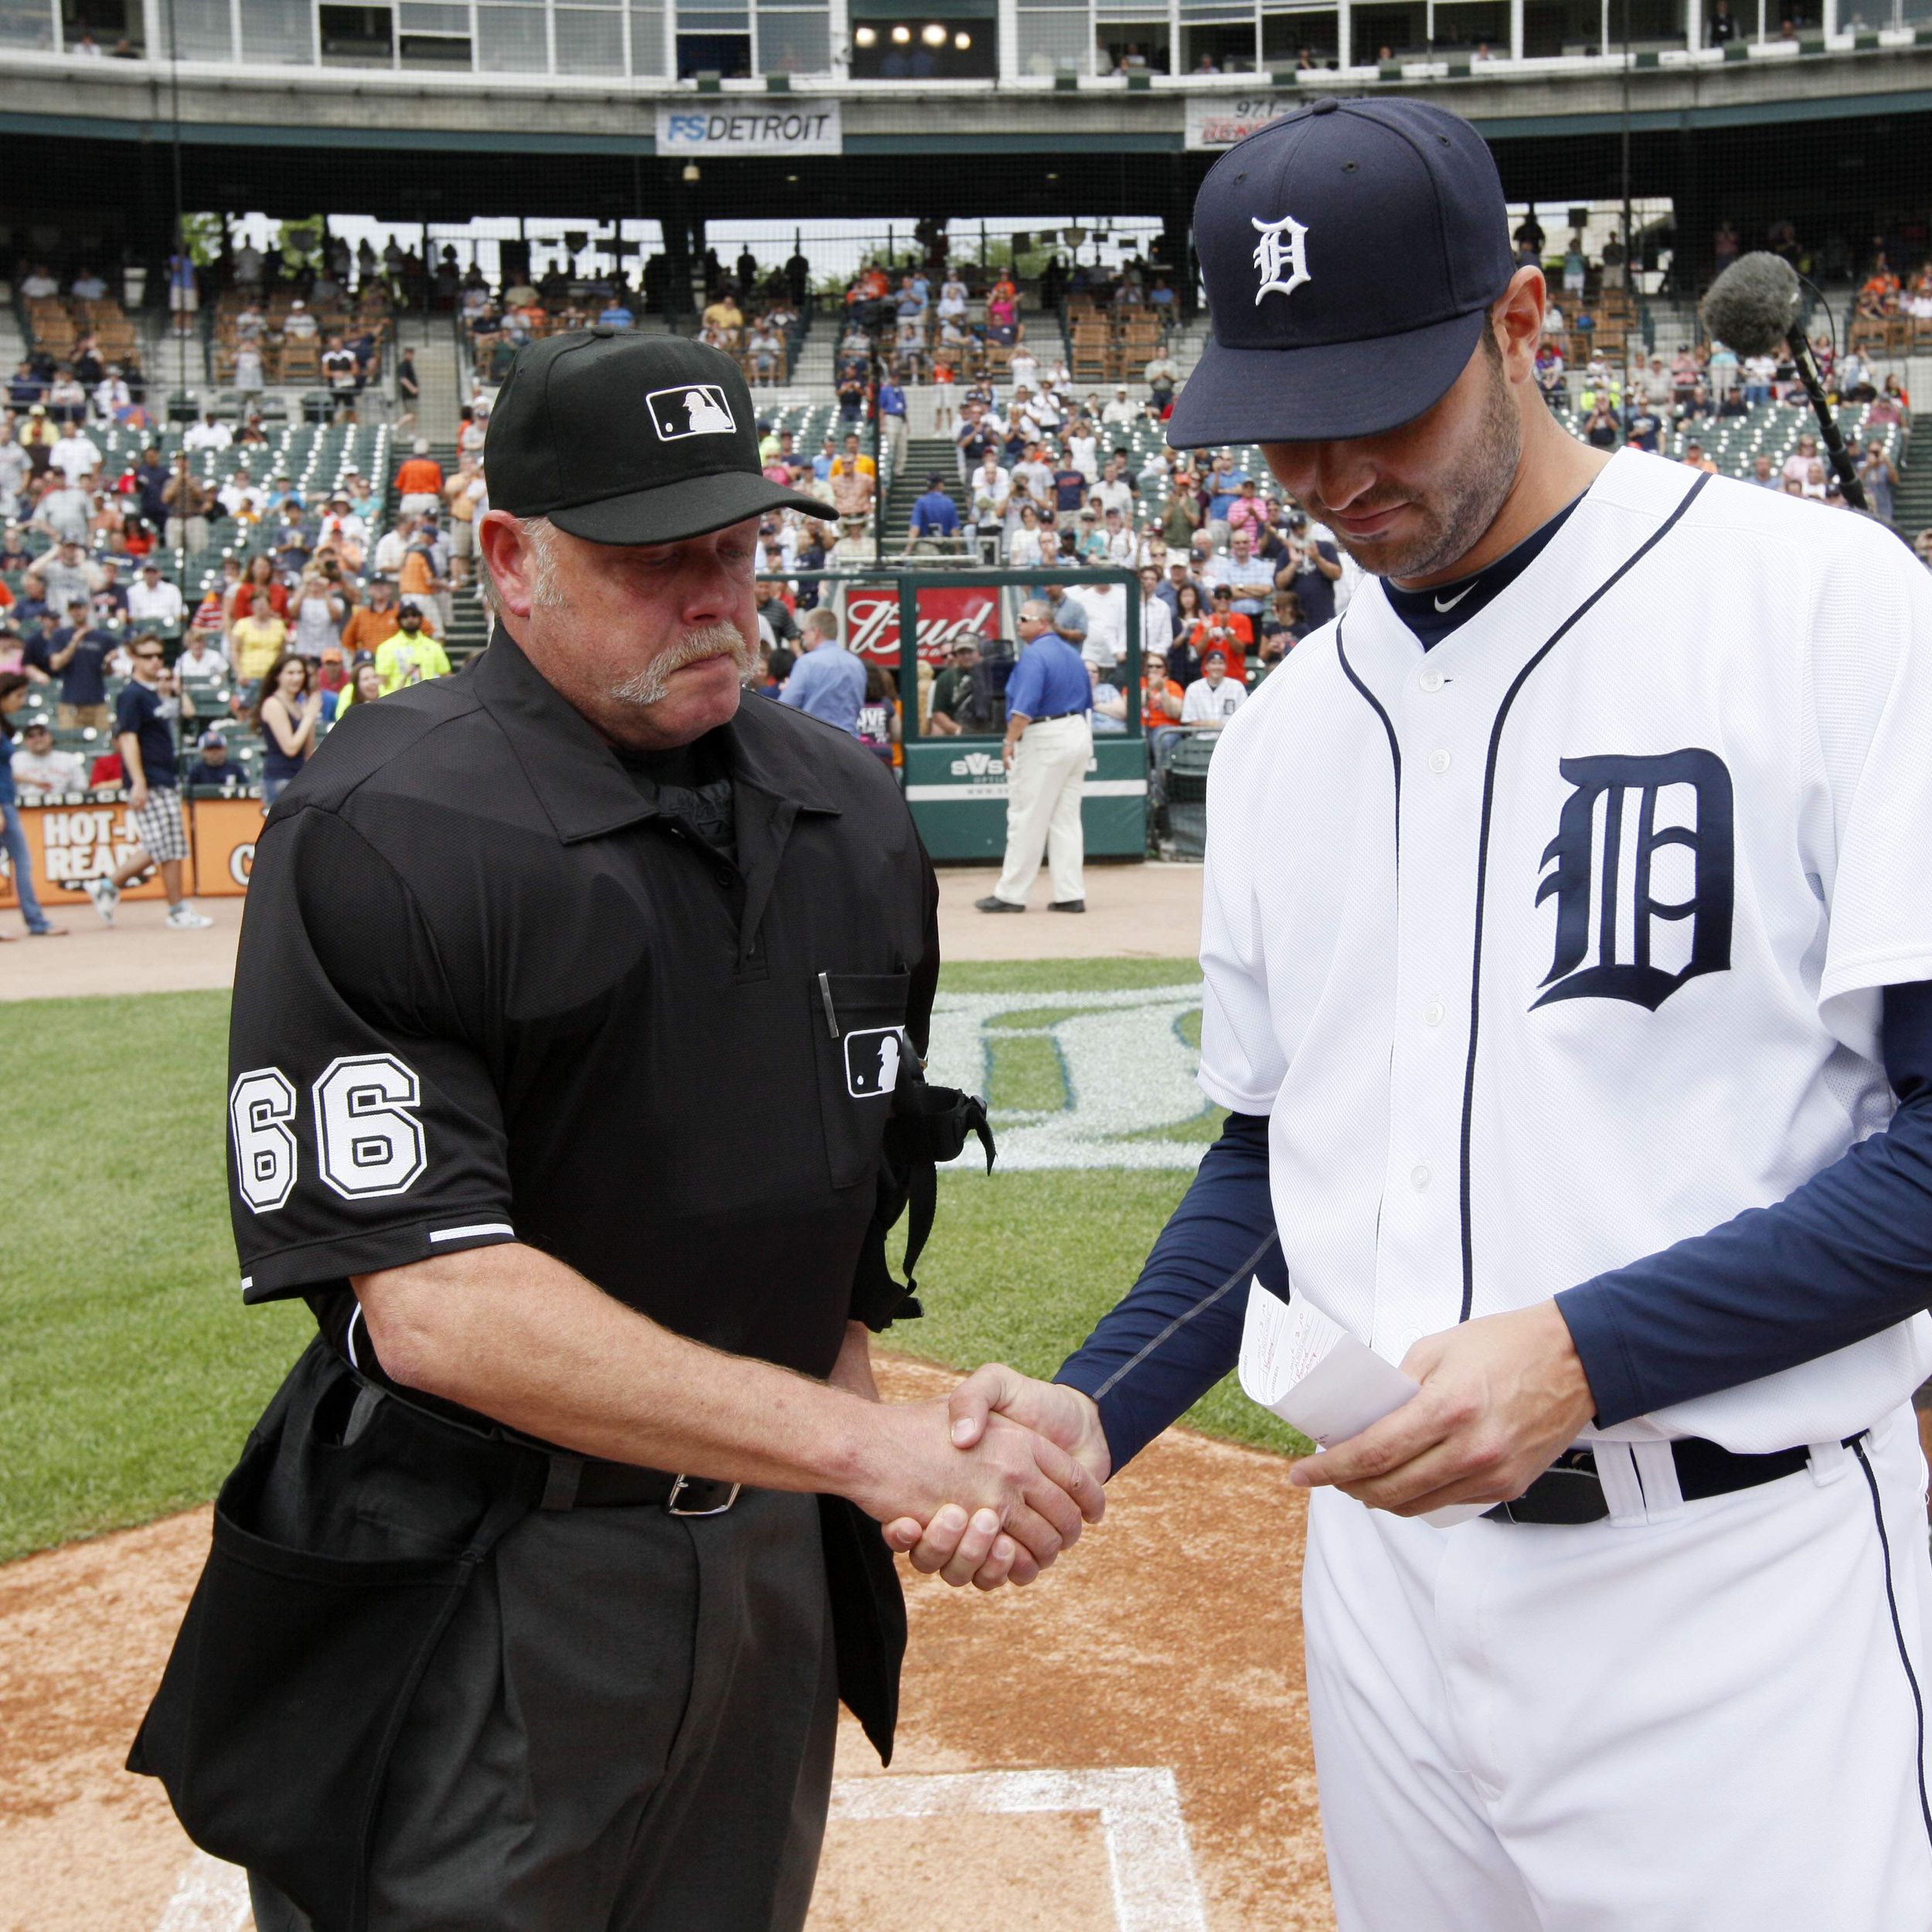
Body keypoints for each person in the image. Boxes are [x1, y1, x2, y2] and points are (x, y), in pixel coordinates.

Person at [897, 95, 1932, 1932]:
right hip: (1389, 1602)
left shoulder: (1824, 612)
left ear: (1523, 323)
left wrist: (1582, 1355)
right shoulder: (1294, 722)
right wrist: (1097, 1412)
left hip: (1738, 1593)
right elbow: (1280, 1165)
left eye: (1378, 398)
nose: (1323, 470)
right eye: (1279, 420)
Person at [131, 331, 1096, 1932]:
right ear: (511, 560)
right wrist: (862, 1448)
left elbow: (830, 1241)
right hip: (488, 1573)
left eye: (737, 549)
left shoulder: (848, 819)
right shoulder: (387, 822)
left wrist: (909, 1469)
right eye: (657, 561)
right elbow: (436, 1304)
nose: (717, 596)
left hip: (767, 1573)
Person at [85, 634, 211, 930]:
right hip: (150, 779)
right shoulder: (132, 694)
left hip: (163, 776)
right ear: (134, 658)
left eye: (158, 655)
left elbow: (186, 713)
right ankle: (175, 909)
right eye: (147, 656)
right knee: (165, 846)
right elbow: (127, 738)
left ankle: (108, 886)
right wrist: (138, 781)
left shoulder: (154, 692)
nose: (155, 660)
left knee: (167, 844)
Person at [975, 597, 1090, 915]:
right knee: (1065, 819)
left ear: (1043, 622)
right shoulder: (1070, 652)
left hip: (1046, 735)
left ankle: (1011, 895)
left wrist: (1009, 741)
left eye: (1024, 618)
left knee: (1026, 817)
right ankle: (1071, 894)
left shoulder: (1035, 655)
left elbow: (1023, 711)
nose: (1019, 623)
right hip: (1077, 731)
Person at [0, 674, 65, 937]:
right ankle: (36, 922)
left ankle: (36, 921)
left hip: (6, 800)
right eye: (18, 696)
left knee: (23, 863)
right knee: (23, 862)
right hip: (2, 804)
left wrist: (31, 781)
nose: (22, 701)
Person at [778, 606, 866, 736]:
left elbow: (784, 707)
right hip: (850, 742)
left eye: (804, 633)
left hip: (816, 741)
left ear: (815, 633)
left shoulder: (807, 663)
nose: (803, 638)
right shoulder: (856, 664)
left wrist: (788, 689)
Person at [256, 652, 322, 805]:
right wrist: (309, 717)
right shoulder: (273, 704)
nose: (297, 678)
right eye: (290, 673)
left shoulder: (298, 705)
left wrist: (308, 718)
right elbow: (290, 748)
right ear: (277, 676)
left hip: (299, 777)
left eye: (300, 673)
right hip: (280, 778)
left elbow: (307, 751)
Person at [373, 602, 451, 693]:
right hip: (397, 702)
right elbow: (381, 683)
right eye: (405, 616)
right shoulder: (386, 648)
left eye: (414, 615)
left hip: (429, 701)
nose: (410, 619)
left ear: (420, 618)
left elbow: (446, 676)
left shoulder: (434, 647)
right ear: (399, 620)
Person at [10, 715, 87, 798]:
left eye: (41, 734)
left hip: (61, 805)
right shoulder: (14, 760)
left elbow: (81, 787)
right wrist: (30, 781)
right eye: (31, 736)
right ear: (25, 741)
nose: (37, 739)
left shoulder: (68, 759)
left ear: (50, 737)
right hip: (24, 807)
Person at [1179, 653, 1246, 726]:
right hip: (1200, 736)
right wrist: (1209, 724)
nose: (1217, 667)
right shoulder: (1193, 688)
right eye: (1213, 663)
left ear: (1226, 667)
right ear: (1206, 666)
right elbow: (1188, 720)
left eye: (1220, 663)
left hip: (1230, 735)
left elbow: (1244, 717)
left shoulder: (1237, 687)